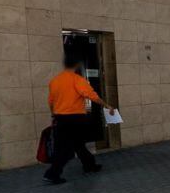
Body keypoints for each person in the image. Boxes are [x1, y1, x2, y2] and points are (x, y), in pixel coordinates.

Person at [44, 55, 116, 184]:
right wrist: (106, 105)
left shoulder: (55, 81)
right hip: (75, 118)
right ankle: (53, 173)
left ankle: (89, 165)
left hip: (60, 118)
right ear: (76, 65)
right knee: (68, 148)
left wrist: (53, 115)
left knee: (77, 144)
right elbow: (91, 95)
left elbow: (51, 101)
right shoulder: (77, 79)